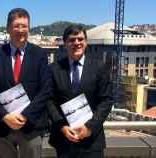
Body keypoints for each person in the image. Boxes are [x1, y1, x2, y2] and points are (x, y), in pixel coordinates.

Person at [0, 8, 52, 158]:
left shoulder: (40, 54)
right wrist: (5, 116)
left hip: (31, 125)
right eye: (16, 26)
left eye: (24, 26)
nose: (21, 30)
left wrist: (25, 115)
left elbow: (46, 90)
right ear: (8, 28)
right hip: (3, 126)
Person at [47, 24, 113, 158]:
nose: (76, 43)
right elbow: (49, 101)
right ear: (65, 43)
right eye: (71, 40)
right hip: (64, 139)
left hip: (92, 140)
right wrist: (62, 127)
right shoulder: (53, 69)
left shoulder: (99, 67)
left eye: (80, 39)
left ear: (86, 42)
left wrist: (89, 127)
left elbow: (106, 100)